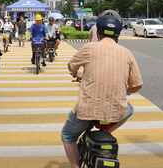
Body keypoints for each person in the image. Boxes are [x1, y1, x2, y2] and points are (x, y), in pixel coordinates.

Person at [61, 15, 143, 168]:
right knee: (129, 108)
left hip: (87, 110)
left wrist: (76, 74)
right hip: (115, 112)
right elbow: (137, 85)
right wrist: (123, 90)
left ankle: (75, 166)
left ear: (98, 33)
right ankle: (106, 131)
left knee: (67, 135)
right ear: (118, 35)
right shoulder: (127, 53)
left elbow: (71, 66)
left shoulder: (89, 48)